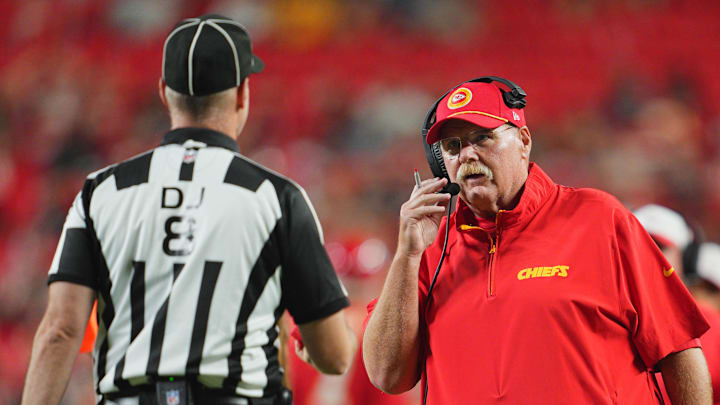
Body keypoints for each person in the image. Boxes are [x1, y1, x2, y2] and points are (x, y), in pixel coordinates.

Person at [21, 14, 356, 405]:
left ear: (164, 93)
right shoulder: (276, 197)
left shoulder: (102, 190)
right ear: (243, 94)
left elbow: (60, 330)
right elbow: (334, 356)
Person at [362, 77, 713, 404]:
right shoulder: (431, 250)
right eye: (453, 146)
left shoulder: (599, 219)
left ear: (524, 142)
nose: (467, 154)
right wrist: (407, 256)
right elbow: (387, 375)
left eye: (482, 137)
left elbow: (678, 349)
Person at [634, 204, 720, 404]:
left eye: (659, 247)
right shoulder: (603, 314)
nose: (645, 255)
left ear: (687, 259)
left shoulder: (712, 329)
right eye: (637, 245)